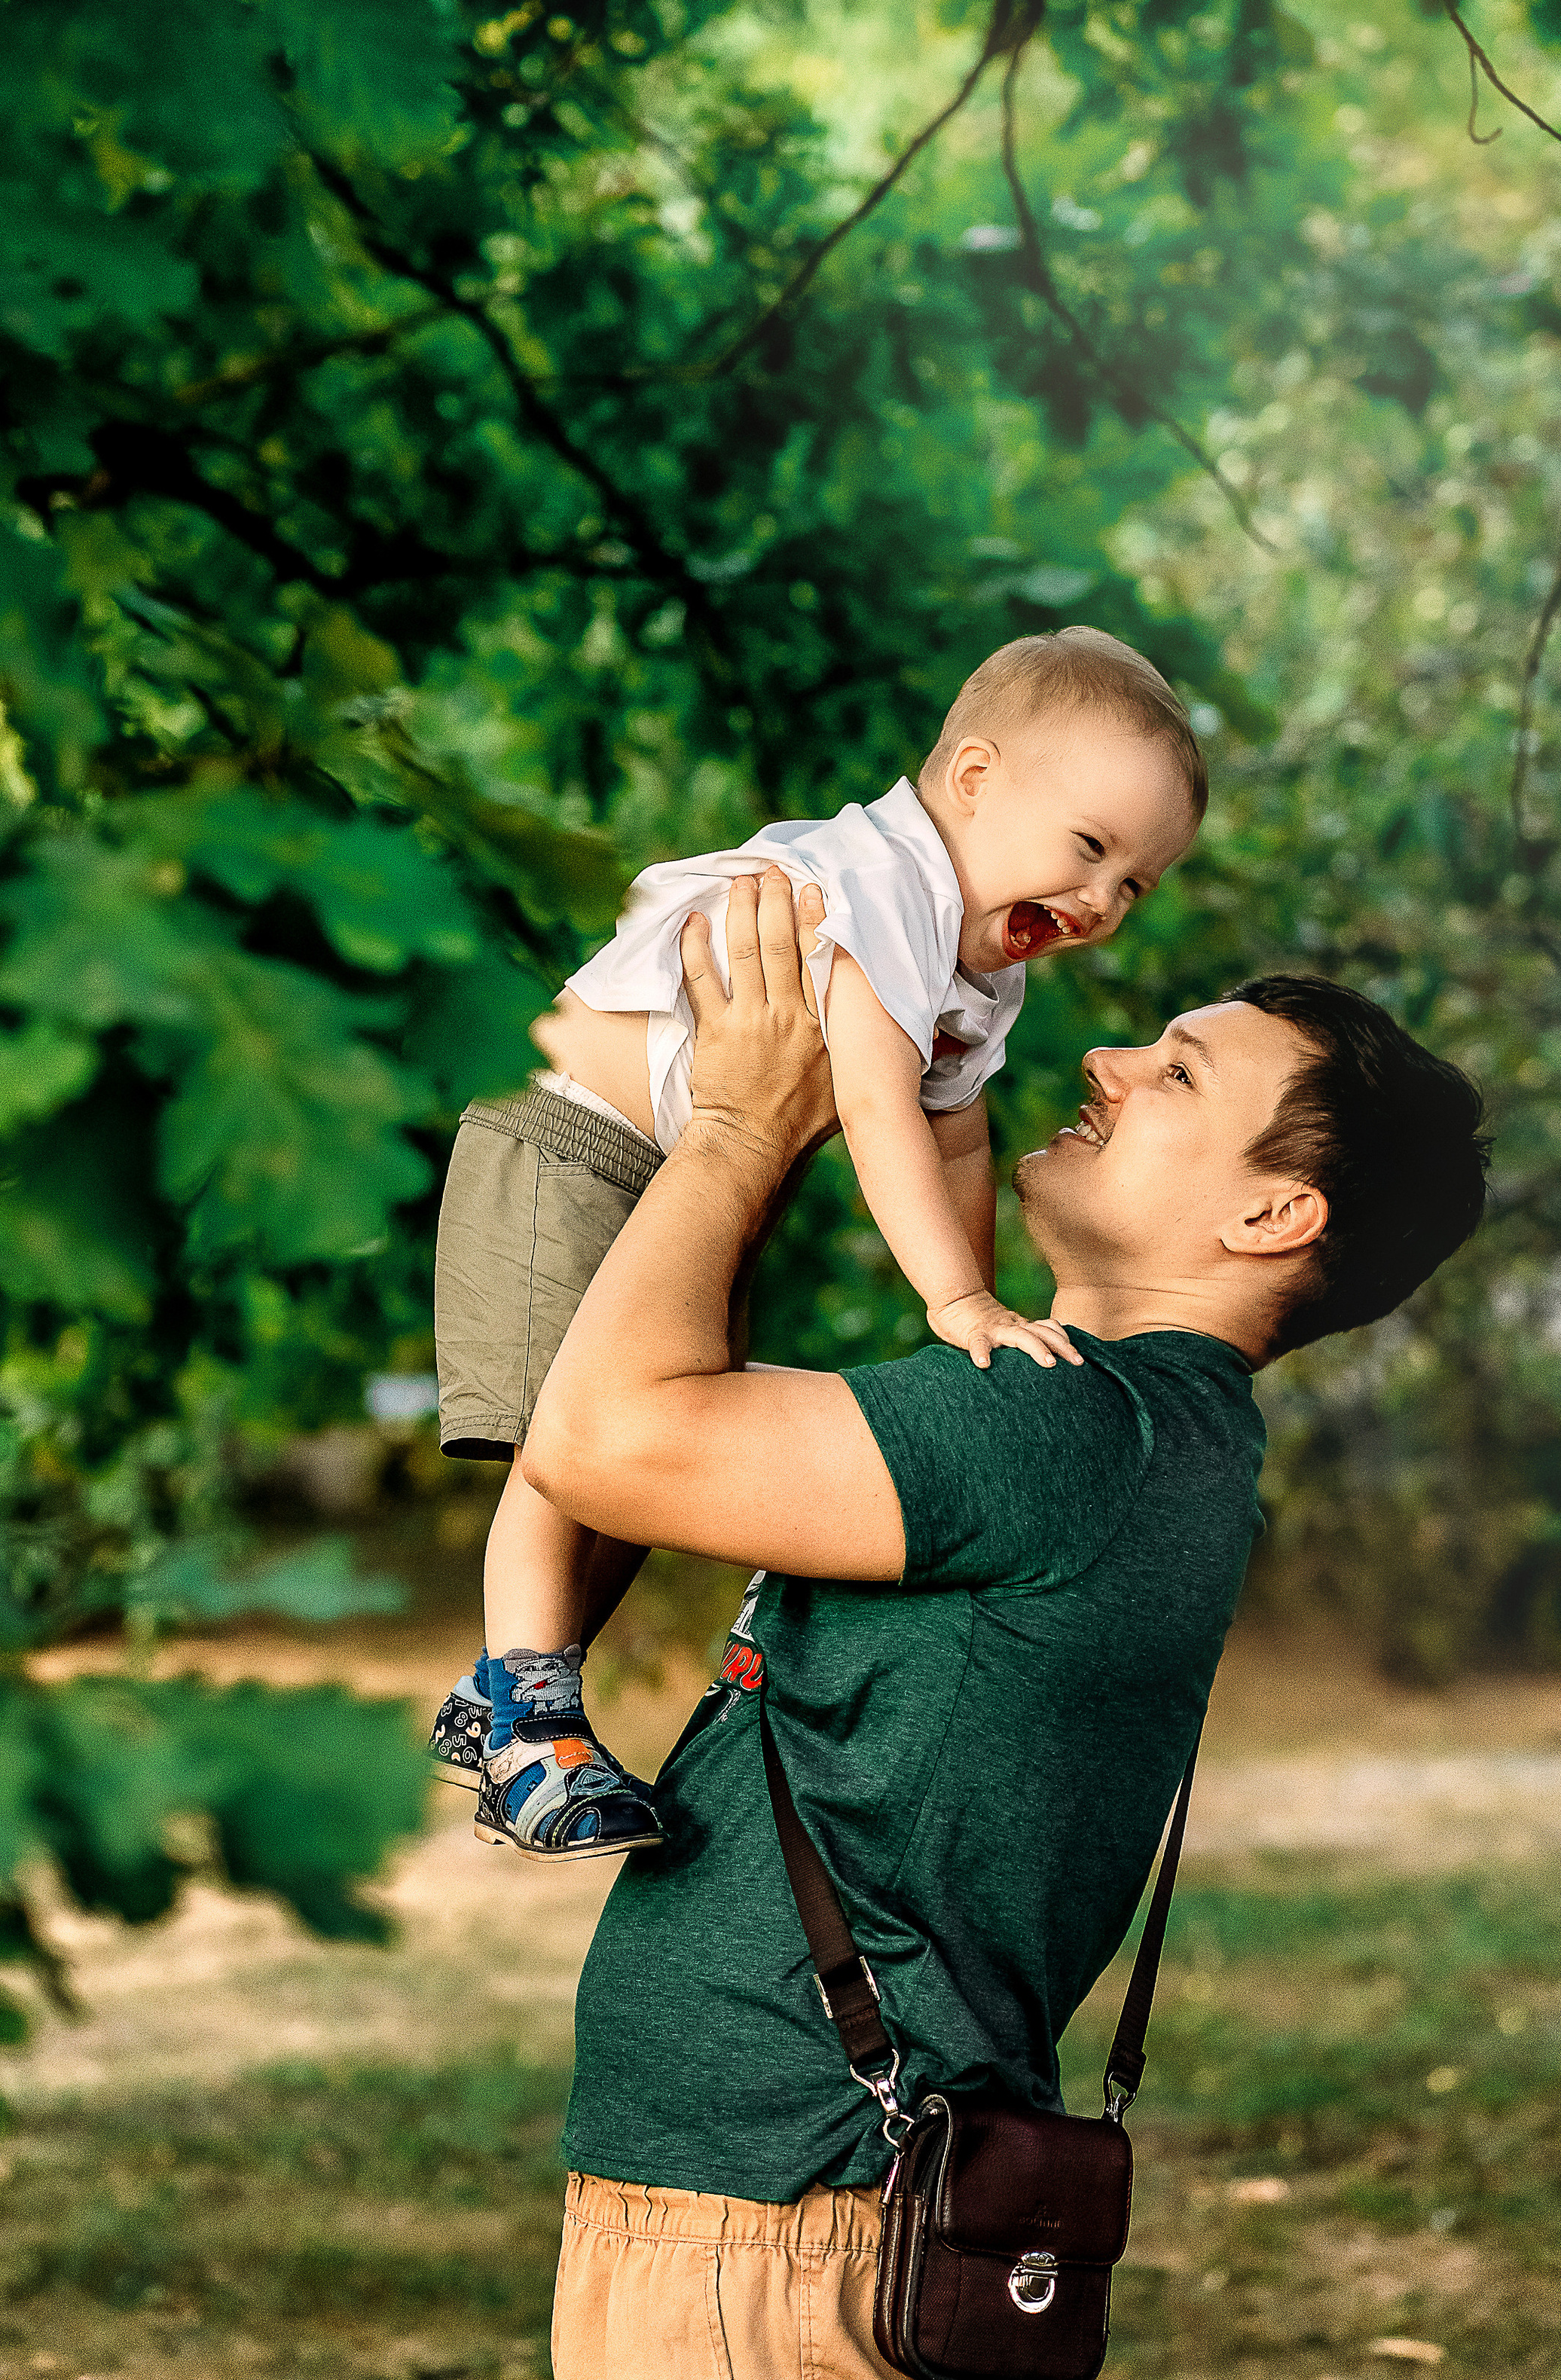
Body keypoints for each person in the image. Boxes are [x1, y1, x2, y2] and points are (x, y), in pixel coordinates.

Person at [522, 868, 1491, 2379]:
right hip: (801, 2210)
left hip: (780, 2224)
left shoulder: (1062, 1431)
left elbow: (599, 1444)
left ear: (1270, 1212)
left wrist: (737, 1121)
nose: (1102, 1063)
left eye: (1175, 1072)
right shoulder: (1159, 1440)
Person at [427, 629, 1207, 1858]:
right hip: (566, 1147)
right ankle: (527, 1721)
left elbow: (953, 1137)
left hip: (680, 1188)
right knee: (567, 1441)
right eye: (1092, 848)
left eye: (1138, 884)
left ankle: (510, 1682)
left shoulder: (974, 966)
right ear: (975, 782)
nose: (1104, 901)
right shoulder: (877, 888)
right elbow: (883, 1105)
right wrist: (951, 1297)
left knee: (648, 1459)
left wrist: (971, 1316)